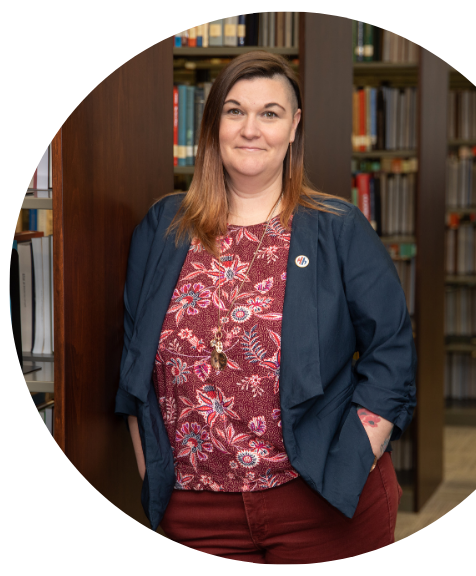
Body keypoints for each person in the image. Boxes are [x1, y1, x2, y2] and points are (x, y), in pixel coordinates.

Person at [115, 50, 417, 564]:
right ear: (213, 123)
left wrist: (361, 449)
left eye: (270, 113)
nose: (251, 129)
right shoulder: (163, 228)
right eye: (235, 111)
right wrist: (152, 467)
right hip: (195, 513)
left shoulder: (337, 228)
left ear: (294, 126)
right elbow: (134, 358)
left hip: (320, 503)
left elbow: (391, 349)